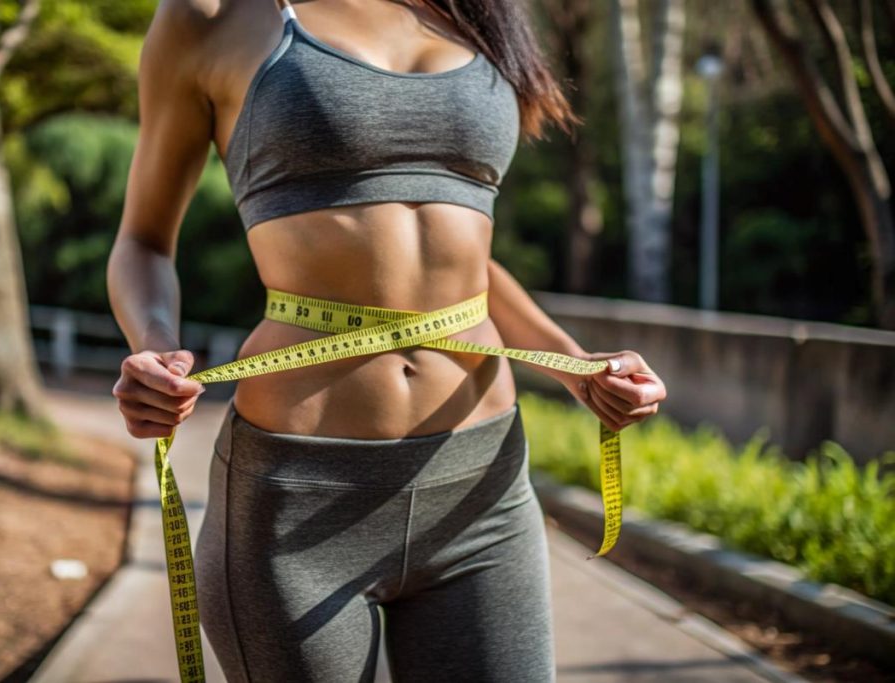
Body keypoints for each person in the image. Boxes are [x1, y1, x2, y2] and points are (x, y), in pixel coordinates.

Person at [107, 0, 667, 681]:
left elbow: (457, 264)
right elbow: (141, 241)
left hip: (481, 490)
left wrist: (577, 364)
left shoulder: (474, 13)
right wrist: (154, 342)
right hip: (298, 505)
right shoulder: (213, 16)